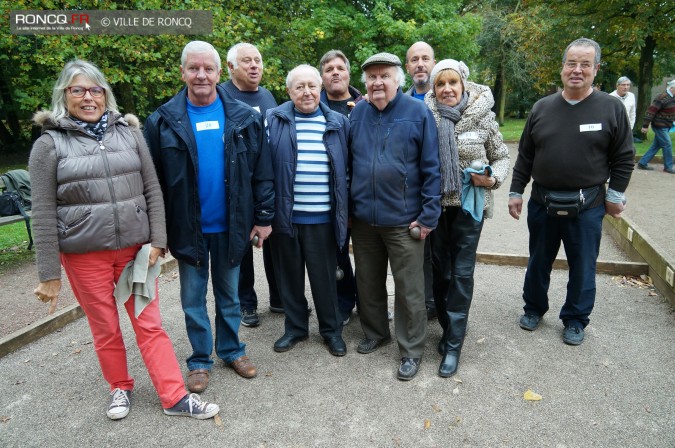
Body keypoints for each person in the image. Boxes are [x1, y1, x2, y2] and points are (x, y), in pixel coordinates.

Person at [29, 59, 219, 420]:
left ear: (105, 94)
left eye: (95, 90)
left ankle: (174, 396)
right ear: (64, 95)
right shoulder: (49, 144)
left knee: (150, 324)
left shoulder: (129, 132)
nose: (88, 97)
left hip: (136, 252)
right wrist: (48, 274)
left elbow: (152, 189)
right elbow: (42, 211)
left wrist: (158, 242)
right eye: (78, 90)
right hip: (84, 255)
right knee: (105, 326)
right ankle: (120, 387)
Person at [145, 41, 274, 393]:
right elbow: (151, 181)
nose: (201, 75)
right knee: (192, 298)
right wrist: (159, 232)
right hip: (187, 229)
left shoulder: (244, 117)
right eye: (193, 68)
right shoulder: (161, 121)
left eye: (208, 68)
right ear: (183, 71)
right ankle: (200, 359)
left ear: (219, 73)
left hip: (233, 225)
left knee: (230, 295)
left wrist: (263, 218)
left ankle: (232, 350)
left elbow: (263, 172)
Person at [508, 38, 634, 346]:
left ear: (596, 69)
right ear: (563, 67)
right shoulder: (542, 108)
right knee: (538, 260)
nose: (577, 70)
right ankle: (534, 308)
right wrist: (515, 191)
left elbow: (624, 157)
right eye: (571, 63)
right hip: (542, 202)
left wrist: (615, 195)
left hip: (588, 205)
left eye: (585, 64)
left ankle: (576, 319)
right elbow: (525, 155)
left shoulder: (611, 107)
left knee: (583, 265)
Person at [349, 52, 441, 380]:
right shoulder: (357, 115)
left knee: (409, 288)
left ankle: (411, 349)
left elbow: (432, 167)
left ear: (397, 80)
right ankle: (376, 332)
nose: (377, 82)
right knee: (368, 281)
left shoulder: (417, 113)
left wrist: (429, 215)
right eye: (371, 77)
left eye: (384, 76)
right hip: (364, 220)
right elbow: (348, 165)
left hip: (405, 221)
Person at [424, 59, 510, 377]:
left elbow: (501, 156)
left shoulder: (482, 116)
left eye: (452, 83)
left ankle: (454, 345)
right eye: (440, 84)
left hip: (469, 208)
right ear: (434, 89)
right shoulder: (425, 118)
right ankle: (449, 329)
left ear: (463, 84)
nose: (447, 89)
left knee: (461, 274)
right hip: (436, 208)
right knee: (440, 275)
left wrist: (492, 179)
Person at [266, 64, 350, 356]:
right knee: (288, 277)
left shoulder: (339, 122)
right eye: (299, 87)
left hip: (323, 218)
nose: (307, 92)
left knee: (325, 278)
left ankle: (331, 330)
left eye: (312, 86)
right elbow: (263, 169)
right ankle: (295, 328)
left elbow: (347, 169)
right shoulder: (273, 120)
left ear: (321, 89)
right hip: (286, 217)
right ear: (289, 91)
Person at [220, 42, 280, 328]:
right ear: (231, 67)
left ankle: (279, 297)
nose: (255, 65)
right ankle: (247, 304)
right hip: (238, 184)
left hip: (267, 181)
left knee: (274, 240)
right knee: (242, 246)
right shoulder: (221, 96)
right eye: (247, 61)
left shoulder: (268, 96)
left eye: (258, 60)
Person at [318, 49, 362, 326]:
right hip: (331, 196)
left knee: (371, 256)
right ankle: (344, 304)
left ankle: (371, 305)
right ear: (322, 78)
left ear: (348, 73)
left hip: (365, 193)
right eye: (328, 69)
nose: (335, 72)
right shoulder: (312, 106)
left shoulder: (367, 104)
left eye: (339, 68)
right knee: (337, 254)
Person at [405, 41, 438, 321]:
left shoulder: (448, 97)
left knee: (445, 256)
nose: (420, 64)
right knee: (420, 255)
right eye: (414, 59)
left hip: (445, 193)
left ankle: (443, 303)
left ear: (434, 63)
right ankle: (426, 304)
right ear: (407, 67)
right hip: (413, 195)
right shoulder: (400, 101)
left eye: (425, 58)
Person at [637, 79, 675, 173]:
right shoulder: (661, 97)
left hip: (667, 125)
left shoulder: (673, 97)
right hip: (659, 125)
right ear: (672, 88)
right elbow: (651, 111)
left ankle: (642, 162)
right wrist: (645, 126)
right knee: (667, 144)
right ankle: (668, 166)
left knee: (656, 146)